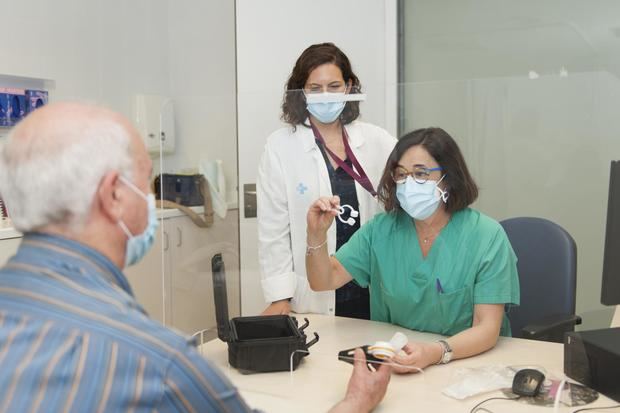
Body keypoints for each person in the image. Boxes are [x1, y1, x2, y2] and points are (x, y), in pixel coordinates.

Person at [0, 102, 390, 412]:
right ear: (113, 196)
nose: (152, 200)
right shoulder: (155, 362)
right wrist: (355, 403)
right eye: (145, 182)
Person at [305, 127, 520, 372]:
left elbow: (487, 329)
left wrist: (434, 353)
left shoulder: (486, 236)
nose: (409, 183)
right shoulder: (381, 230)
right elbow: (324, 280)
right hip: (398, 361)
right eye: (401, 174)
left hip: (469, 364)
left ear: (447, 179)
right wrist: (316, 234)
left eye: (421, 173)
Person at [258, 43, 396, 319]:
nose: (325, 96)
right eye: (315, 88)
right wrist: (280, 296)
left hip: (371, 284)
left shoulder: (375, 139)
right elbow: (273, 231)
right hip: (315, 291)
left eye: (334, 86)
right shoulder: (281, 146)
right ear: (300, 92)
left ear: (349, 87)